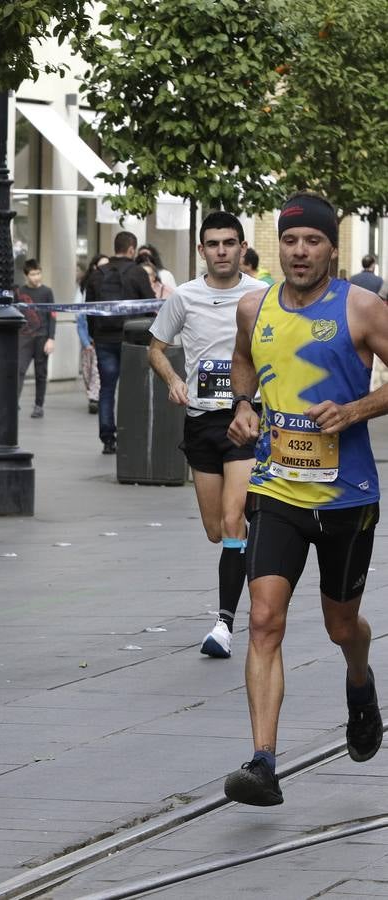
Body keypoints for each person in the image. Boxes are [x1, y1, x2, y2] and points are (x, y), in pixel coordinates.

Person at [222, 193, 387, 807]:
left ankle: (360, 678)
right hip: (275, 489)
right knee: (264, 620)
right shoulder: (252, 307)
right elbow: (244, 362)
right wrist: (244, 407)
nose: (298, 252)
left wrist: (354, 409)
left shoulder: (361, 308)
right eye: (290, 241)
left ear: (330, 249)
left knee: (341, 624)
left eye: (311, 242)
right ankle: (263, 761)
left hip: (347, 496)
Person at [147, 211, 266, 659]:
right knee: (217, 530)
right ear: (201, 251)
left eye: (229, 243)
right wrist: (173, 380)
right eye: (213, 243)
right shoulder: (185, 297)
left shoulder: (261, 295)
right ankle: (259, 529)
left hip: (245, 416)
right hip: (200, 420)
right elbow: (155, 349)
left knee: (234, 519)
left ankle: (225, 624)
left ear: (241, 248)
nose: (221, 251)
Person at [85, 232, 155, 454]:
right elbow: (151, 306)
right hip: (131, 340)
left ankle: (108, 439)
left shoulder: (97, 275)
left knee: (107, 388)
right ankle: (130, 432)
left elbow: (88, 309)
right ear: (132, 249)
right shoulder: (137, 273)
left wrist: (93, 336)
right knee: (132, 388)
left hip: (104, 339)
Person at [15, 258, 55, 419]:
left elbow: (52, 315)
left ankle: (39, 405)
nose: (37, 277)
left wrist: (51, 338)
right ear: (26, 275)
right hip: (24, 337)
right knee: (19, 370)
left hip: (42, 336)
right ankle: (13, 402)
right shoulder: (20, 292)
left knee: (41, 373)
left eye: (38, 273)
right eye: (33, 274)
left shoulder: (47, 292)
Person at [77, 255, 108, 416]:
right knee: (87, 370)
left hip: (101, 338)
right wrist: (85, 340)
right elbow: (80, 317)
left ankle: (94, 398)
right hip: (87, 337)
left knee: (96, 369)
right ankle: (92, 393)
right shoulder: (85, 287)